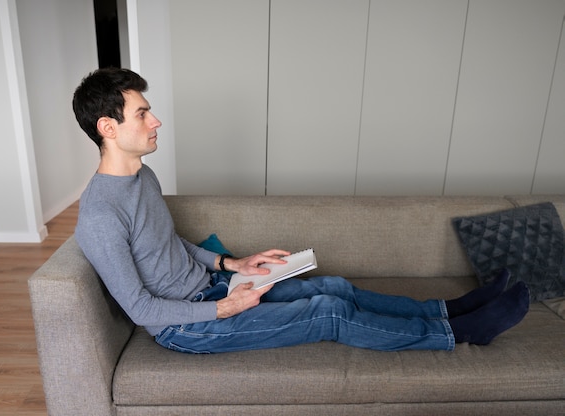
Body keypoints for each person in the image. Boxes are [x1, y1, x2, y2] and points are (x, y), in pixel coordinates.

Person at [72, 67, 530, 354]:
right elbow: (139, 309)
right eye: (142, 114)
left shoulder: (142, 177)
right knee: (327, 312)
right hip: (187, 326)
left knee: (332, 285)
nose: (156, 122)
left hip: (214, 287)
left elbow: (164, 243)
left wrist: (232, 264)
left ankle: (447, 310)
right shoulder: (99, 214)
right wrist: (225, 309)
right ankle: (462, 334)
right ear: (108, 127)